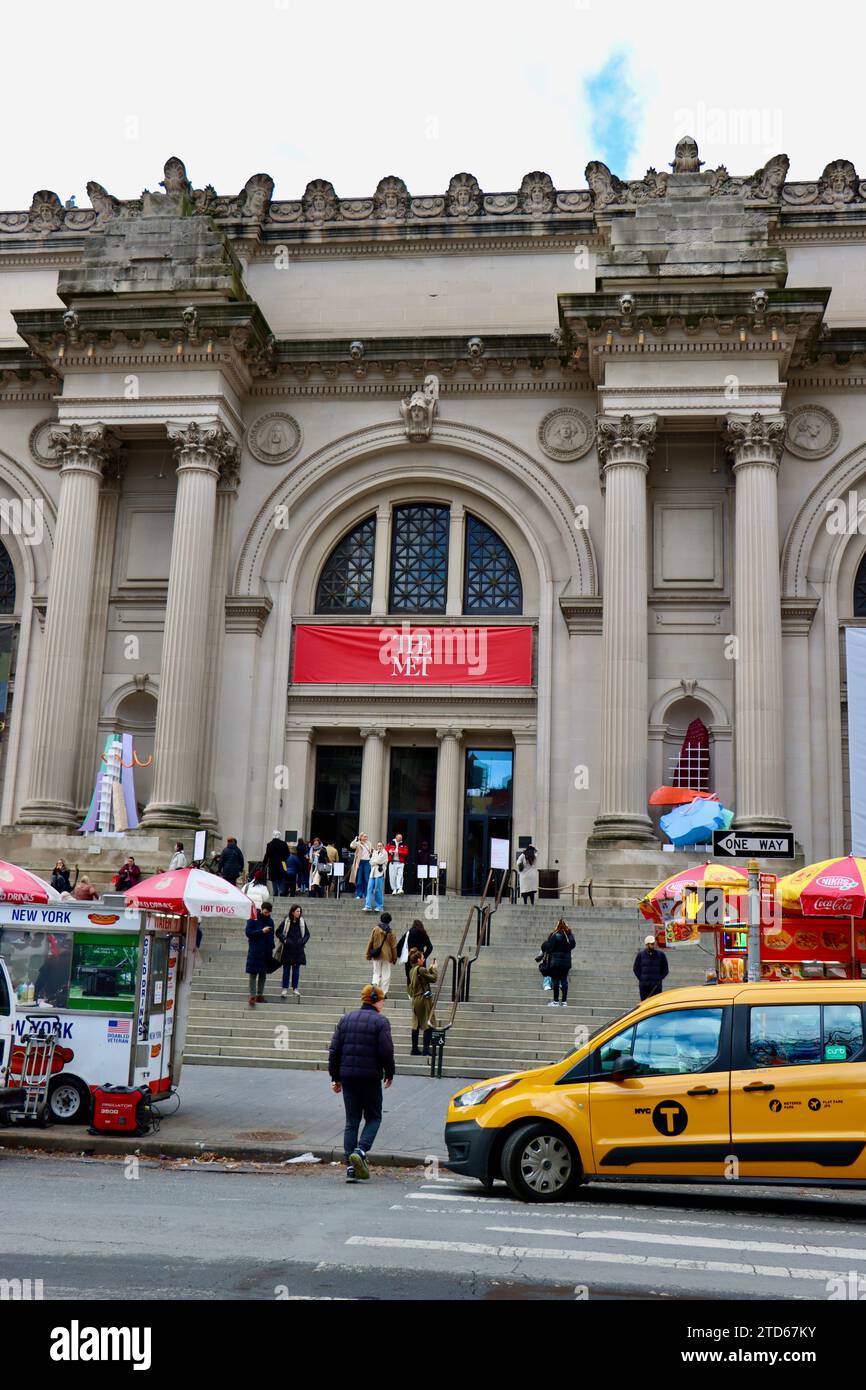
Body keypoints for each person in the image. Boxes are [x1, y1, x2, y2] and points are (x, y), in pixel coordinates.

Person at [328, 982, 395, 1183]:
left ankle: (350, 1167)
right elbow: (386, 1051)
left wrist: (335, 1078)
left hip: (348, 1077)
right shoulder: (381, 1022)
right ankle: (361, 1150)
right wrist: (389, 1073)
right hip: (370, 1077)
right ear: (375, 1001)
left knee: (352, 1122)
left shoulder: (345, 1019)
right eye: (382, 999)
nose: (383, 1003)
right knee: (374, 1117)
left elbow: (334, 1051)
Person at [407, 947, 438, 1055]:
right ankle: (426, 1049)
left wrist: (428, 969)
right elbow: (433, 978)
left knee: (416, 1024)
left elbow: (423, 977)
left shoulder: (412, 970)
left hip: (415, 999)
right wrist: (434, 968)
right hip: (423, 999)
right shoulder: (421, 969)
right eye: (422, 958)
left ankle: (414, 1049)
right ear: (418, 960)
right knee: (427, 1024)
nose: (424, 959)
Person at [245, 900, 275, 1007]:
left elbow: (272, 936)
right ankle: (252, 995)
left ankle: (260, 995)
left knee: (263, 975)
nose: (267, 914)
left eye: (269, 913)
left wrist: (271, 947)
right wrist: (261, 931)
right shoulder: (253, 918)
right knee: (253, 974)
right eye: (266, 912)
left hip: (266, 952)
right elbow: (248, 933)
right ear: (261, 909)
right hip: (255, 950)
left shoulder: (270, 921)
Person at [277, 903, 310, 999]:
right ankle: (285, 988)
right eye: (297, 911)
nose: (299, 913)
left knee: (296, 970)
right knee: (286, 970)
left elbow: (307, 934)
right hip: (287, 949)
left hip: (298, 950)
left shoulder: (302, 922)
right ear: (292, 912)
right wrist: (285, 940)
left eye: (300, 911)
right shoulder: (286, 921)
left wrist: (303, 941)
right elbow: (278, 932)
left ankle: (295, 988)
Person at [541, 918, 575, 1007]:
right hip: (566, 962)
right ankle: (564, 1001)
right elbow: (573, 945)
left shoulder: (555, 935)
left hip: (555, 962)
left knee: (556, 980)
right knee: (564, 980)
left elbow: (549, 948)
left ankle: (556, 1001)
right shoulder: (569, 936)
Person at [365, 911, 397, 996]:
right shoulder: (391, 932)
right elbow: (394, 946)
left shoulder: (376, 929)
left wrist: (368, 954)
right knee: (386, 974)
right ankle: (383, 993)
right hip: (387, 956)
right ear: (390, 921)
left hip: (376, 955)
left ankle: (374, 987)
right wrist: (394, 958)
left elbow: (370, 942)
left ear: (381, 919)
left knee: (376, 972)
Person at [633, 933, 669, 1001]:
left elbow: (665, 969)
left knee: (656, 1004)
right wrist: (642, 979)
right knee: (644, 1004)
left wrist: (659, 979)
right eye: (652, 944)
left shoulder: (661, 955)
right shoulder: (640, 955)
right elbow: (635, 968)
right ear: (647, 945)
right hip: (644, 986)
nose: (654, 945)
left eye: (654, 943)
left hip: (656, 986)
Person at [398, 918, 433, 984]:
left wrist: (401, 955)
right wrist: (424, 956)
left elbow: (400, 944)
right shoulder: (423, 933)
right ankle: (420, 992)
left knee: (410, 977)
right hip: (420, 959)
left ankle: (410, 993)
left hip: (410, 958)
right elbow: (430, 947)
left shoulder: (408, 933)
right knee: (421, 976)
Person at [262, 830, 290, 897]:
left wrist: (264, 864)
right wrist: (284, 859)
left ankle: (275, 892)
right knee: (282, 878)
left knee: (274, 880)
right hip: (282, 864)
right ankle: (282, 891)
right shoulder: (284, 844)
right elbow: (288, 854)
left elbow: (267, 855)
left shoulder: (269, 844)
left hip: (272, 865)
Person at [364, 842, 388, 912]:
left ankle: (379, 906)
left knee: (378, 890)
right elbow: (370, 862)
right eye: (378, 846)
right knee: (369, 889)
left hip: (379, 873)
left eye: (380, 846)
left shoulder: (385, 853)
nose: (379, 847)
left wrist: (374, 861)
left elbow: (380, 861)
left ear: (383, 846)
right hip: (372, 873)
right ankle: (368, 906)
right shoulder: (375, 852)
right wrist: (375, 861)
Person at [350, 832, 372, 902]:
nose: (366, 838)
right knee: (359, 879)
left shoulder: (369, 843)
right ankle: (358, 894)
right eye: (364, 837)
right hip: (360, 862)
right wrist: (355, 840)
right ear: (361, 837)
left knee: (366, 879)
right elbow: (351, 846)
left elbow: (372, 851)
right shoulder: (358, 843)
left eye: (366, 836)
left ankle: (366, 894)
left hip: (367, 862)